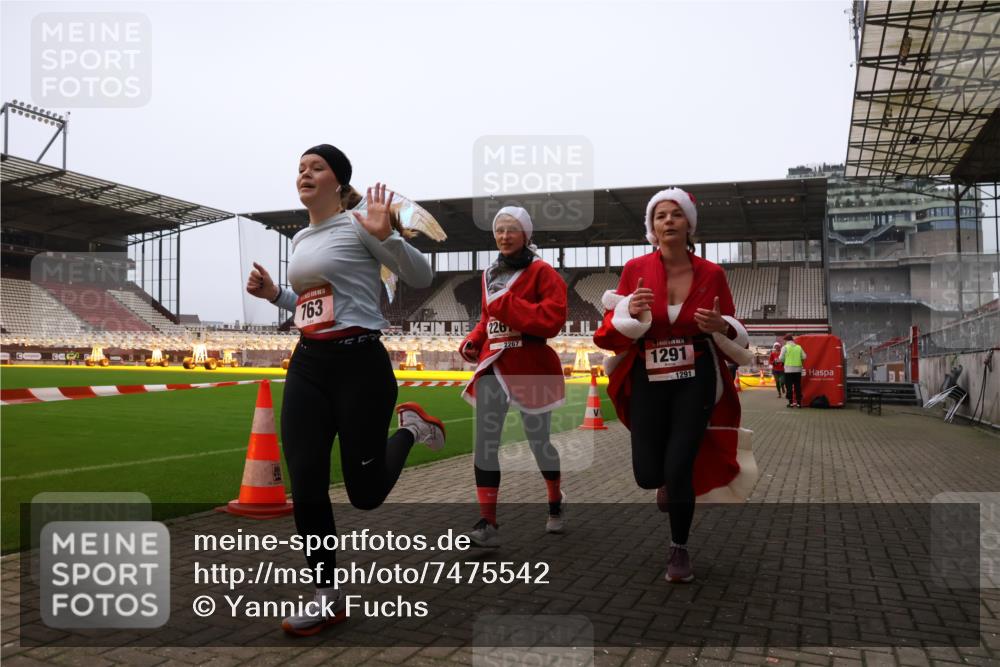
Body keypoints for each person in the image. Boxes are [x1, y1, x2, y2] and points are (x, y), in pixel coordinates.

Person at [246, 144, 447, 636]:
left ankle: (411, 430)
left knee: (366, 494)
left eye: (316, 167)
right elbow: (313, 302)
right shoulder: (301, 239)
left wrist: (389, 237)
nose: (304, 174)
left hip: (360, 364)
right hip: (310, 364)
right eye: (299, 168)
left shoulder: (361, 223)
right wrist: (276, 294)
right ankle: (327, 595)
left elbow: (422, 275)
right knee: (308, 481)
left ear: (338, 181)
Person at [593, 188, 757, 584]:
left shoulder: (712, 273)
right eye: (660, 216)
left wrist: (721, 326)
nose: (668, 221)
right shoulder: (635, 268)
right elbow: (615, 321)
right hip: (646, 375)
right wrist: (629, 311)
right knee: (649, 474)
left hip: (696, 377)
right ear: (651, 227)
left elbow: (733, 327)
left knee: (680, 465)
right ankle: (664, 480)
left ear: (689, 225)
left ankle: (679, 548)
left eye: (675, 215)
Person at [458, 206, 568, 548]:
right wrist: (475, 338)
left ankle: (555, 500)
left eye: (511, 229)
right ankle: (487, 523)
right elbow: (487, 317)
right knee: (485, 443)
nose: (504, 236)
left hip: (531, 364)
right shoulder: (489, 273)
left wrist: (508, 306)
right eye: (499, 230)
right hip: (494, 365)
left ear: (526, 235)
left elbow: (552, 319)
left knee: (539, 443)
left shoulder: (544, 272)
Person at [779, 333, 807, 407]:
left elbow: (781, 358)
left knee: (789, 387)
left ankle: (791, 403)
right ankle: (798, 403)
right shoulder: (799, 347)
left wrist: (785, 360)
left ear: (786, 340)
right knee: (797, 386)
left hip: (788, 370)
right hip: (798, 370)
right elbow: (804, 357)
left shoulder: (785, 347)